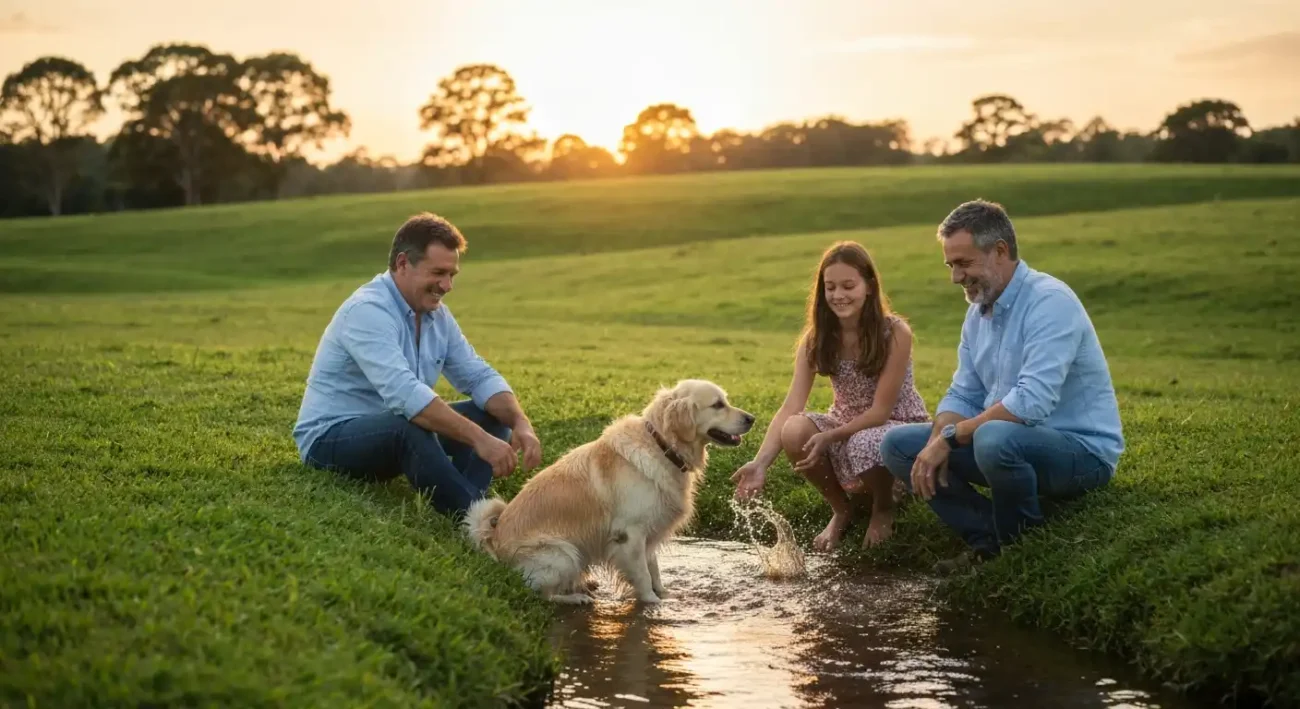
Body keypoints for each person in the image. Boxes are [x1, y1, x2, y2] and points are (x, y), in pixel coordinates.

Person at [880, 199, 1124, 573]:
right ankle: (988, 539)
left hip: (1080, 453)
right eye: (950, 265)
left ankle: (1021, 543)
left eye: (964, 263)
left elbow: (1030, 403)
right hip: (1012, 444)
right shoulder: (977, 311)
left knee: (994, 437)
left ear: (1000, 251)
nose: (955, 277)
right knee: (899, 446)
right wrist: (935, 440)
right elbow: (963, 392)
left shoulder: (1050, 302)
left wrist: (950, 437)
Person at [292, 212, 543, 516]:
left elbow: (477, 376)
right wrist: (479, 440)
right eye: (438, 272)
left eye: (452, 275)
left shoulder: (437, 314)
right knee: (408, 425)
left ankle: (467, 501)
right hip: (331, 439)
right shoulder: (368, 310)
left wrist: (520, 423)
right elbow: (404, 394)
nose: (447, 285)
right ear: (402, 264)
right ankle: (477, 518)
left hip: (394, 428)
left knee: (490, 416)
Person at [731, 241, 931, 551]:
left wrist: (832, 436)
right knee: (794, 429)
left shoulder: (895, 332)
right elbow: (790, 407)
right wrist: (760, 464)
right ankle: (842, 509)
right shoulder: (817, 339)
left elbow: (880, 412)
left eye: (848, 285)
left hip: (896, 427)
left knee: (866, 441)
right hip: (844, 426)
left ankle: (883, 508)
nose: (838, 295)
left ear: (869, 286)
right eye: (830, 287)